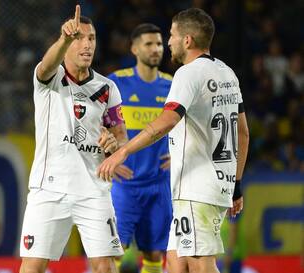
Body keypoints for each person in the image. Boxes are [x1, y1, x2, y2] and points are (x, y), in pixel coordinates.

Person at [97, 8, 249, 273]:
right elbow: (243, 133)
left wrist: (123, 152)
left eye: (171, 35)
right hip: (213, 184)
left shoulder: (187, 74)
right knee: (175, 260)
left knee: (201, 263)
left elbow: (164, 123)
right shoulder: (227, 73)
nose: (168, 43)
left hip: (196, 187)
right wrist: (236, 184)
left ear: (187, 40)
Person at [19, 5, 128, 273]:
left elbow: (121, 136)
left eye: (91, 38)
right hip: (49, 188)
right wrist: (64, 39)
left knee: (105, 265)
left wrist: (115, 146)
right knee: (32, 265)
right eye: (79, 38)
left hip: (93, 188)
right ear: (67, 42)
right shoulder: (50, 79)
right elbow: (45, 66)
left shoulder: (107, 87)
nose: (87, 44)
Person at [108, 23, 172, 273]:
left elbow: (192, 127)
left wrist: (179, 156)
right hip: (124, 185)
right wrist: (106, 158)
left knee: (155, 254)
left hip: (159, 184)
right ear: (134, 48)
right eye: (149, 44)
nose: (156, 49)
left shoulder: (172, 85)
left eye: (159, 44)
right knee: (114, 251)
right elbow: (93, 121)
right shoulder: (116, 83)